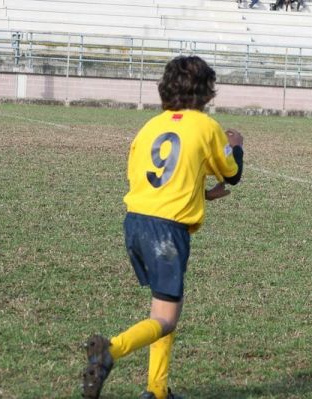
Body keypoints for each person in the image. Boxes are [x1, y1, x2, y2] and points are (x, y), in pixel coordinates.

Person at [81, 55, 245, 399]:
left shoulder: (149, 127)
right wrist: (237, 146)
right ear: (206, 93)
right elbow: (233, 174)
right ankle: (111, 350)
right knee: (167, 318)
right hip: (167, 232)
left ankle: (157, 390)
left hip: (136, 221)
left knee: (164, 307)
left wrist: (202, 195)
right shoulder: (205, 126)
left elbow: (152, 181)